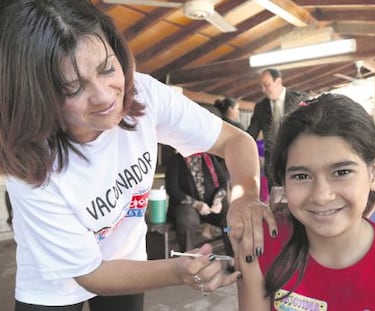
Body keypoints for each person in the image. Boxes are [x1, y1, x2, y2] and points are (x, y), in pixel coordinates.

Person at [0, 0, 277, 309]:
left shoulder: (144, 94)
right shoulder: (31, 165)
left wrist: (245, 197)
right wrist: (177, 270)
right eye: (73, 89)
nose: (105, 96)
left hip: (125, 258)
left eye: (107, 68)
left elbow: (235, 141)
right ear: (37, 96)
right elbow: (92, 273)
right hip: (52, 282)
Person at [237, 93, 375, 310]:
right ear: (282, 180)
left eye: (341, 172)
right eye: (301, 176)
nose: (321, 196)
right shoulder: (261, 244)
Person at [246, 68, 308, 189]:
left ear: (278, 81)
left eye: (267, 85)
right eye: (261, 86)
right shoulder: (260, 107)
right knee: (276, 198)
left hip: (299, 157)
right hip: (272, 163)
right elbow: (251, 134)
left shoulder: (299, 100)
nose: (263, 90)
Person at [165, 151, 233, 256]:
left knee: (229, 221)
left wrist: (218, 200)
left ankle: (232, 256)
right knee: (187, 220)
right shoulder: (176, 160)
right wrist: (197, 204)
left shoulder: (209, 157)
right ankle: (189, 257)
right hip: (187, 205)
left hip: (210, 205)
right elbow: (172, 189)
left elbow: (223, 182)